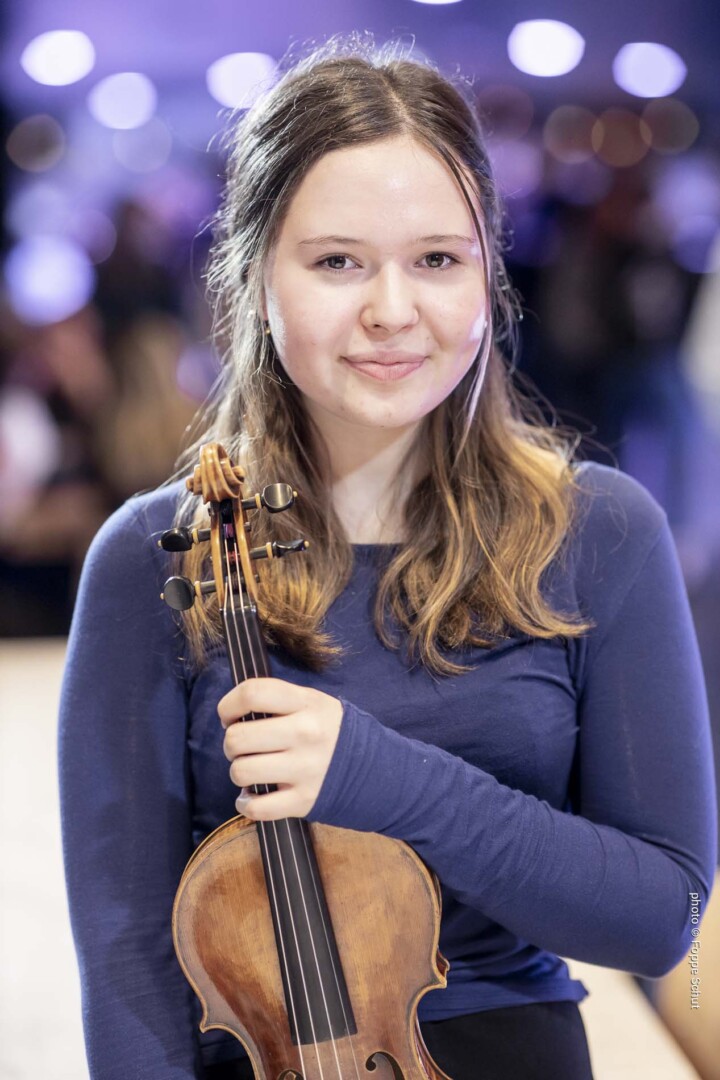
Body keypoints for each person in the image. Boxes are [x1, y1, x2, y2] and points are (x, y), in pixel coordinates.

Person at [58, 34, 717, 1080]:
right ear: (255, 276)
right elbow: (130, 961)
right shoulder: (153, 555)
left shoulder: (600, 531)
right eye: (336, 262)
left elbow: (661, 918)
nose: (392, 311)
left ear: (487, 275)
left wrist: (377, 775)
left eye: (437, 260)